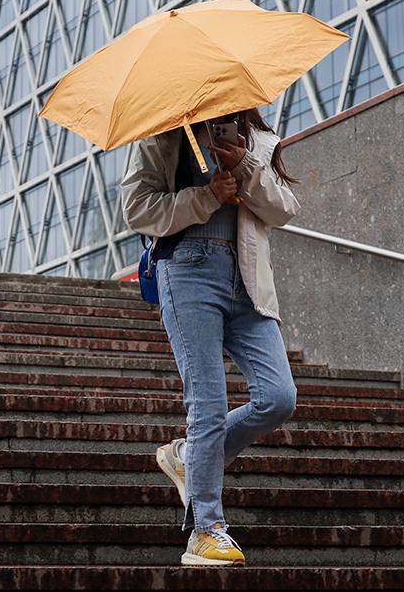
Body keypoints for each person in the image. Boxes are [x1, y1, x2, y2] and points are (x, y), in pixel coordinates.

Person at [120, 109, 301, 567]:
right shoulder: (164, 133)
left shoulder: (257, 135)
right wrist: (205, 197)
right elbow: (137, 208)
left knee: (279, 396)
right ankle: (206, 530)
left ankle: (187, 457)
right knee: (207, 403)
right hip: (188, 270)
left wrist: (243, 166)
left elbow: (283, 209)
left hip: (248, 277)